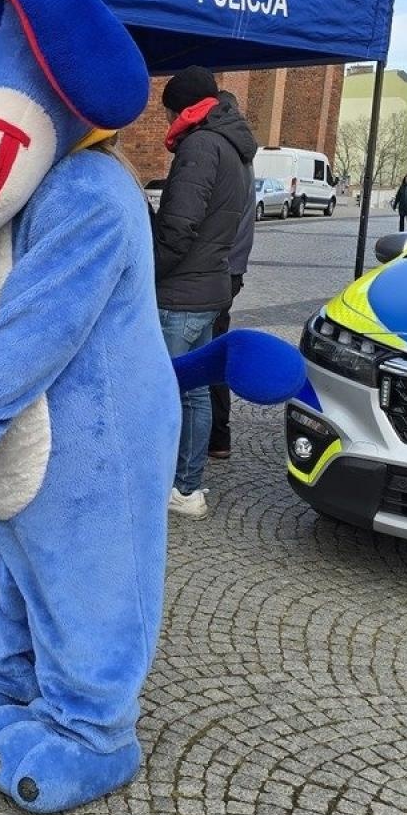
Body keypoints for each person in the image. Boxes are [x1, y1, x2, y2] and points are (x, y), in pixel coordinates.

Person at [152, 66, 255, 519]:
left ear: (184, 107)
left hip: (181, 293)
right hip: (210, 286)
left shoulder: (199, 146)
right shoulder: (232, 146)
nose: (168, 120)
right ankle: (188, 487)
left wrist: (148, 271)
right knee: (194, 393)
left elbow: (178, 229)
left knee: (163, 390)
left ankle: (163, 482)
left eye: (169, 111)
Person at [208, 121, 257, 461]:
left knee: (204, 353)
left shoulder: (216, 150)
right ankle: (218, 436)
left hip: (215, 270)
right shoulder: (243, 155)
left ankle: (213, 436)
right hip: (232, 269)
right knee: (215, 350)